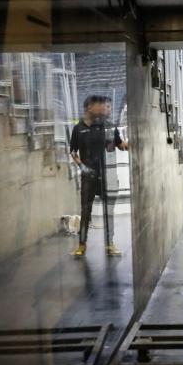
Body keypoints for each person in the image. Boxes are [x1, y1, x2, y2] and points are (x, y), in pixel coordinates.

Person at [69, 94, 127, 257]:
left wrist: (135, 142)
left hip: (107, 177)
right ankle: (81, 245)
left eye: (104, 105)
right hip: (88, 179)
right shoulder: (78, 129)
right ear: (89, 107)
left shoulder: (108, 126)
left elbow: (120, 144)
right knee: (86, 211)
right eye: (100, 104)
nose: (104, 107)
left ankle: (109, 244)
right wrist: (82, 167)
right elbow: (73, 152)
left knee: (109, 212)